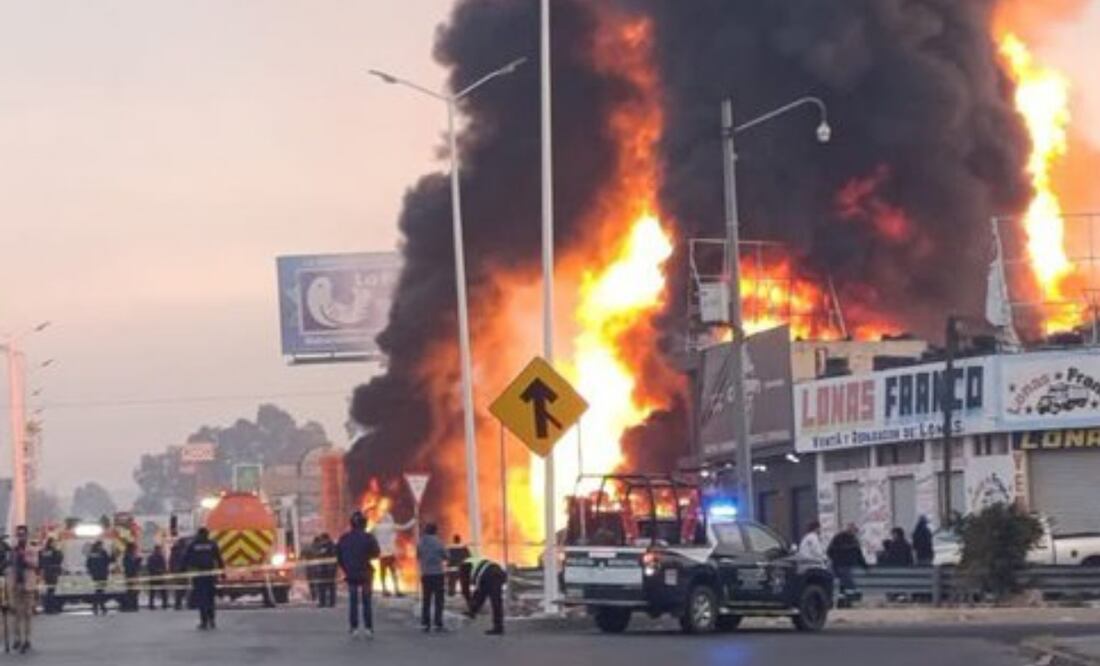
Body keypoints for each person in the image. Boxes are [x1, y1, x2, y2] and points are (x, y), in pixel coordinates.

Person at [336, 511, 381, 639]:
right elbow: (376, 554)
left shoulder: (344, 538)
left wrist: (346, 569)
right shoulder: (369, 537)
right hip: (366, 573)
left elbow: (339, 556)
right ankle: (368, 628)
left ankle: (354, 627)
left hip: (351, 574)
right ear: (364, 524)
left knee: (353, 601)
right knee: (367, 601)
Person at [183, 528, 224, 630]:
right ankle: (212, 620)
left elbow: (185, 558)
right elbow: (219, 559)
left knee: (202, 599)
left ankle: (204, 621)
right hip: (210, 574)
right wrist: (222, 572)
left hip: (199, 575)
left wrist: (182, 571)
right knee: (210, 598)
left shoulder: (193, 545)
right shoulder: (212, 544)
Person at [7, 526, 37, 653]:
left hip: (28, 585)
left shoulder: (32, 548)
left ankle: (27, 639)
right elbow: (10, 565)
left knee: (27, 614)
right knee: (16, 614)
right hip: (16, 585)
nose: (21, 537)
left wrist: (24, 557)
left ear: (27, 535)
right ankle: (17, 639)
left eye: (23, 534)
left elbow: (35, 564)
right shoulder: (13, 549)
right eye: (19, 534)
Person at [462, 555, 507, 635]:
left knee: (494, 601)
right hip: (498, 572)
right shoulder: (474, 559)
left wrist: (468, 601)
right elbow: (479, 593)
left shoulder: (464, 566)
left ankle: (498, 627)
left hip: (489, 575)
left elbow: (465, 588)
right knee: (486, 595)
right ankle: (473, 611)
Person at [373, 511, 415, 597]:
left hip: (381, 554)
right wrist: (414, 519)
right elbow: (405, 527)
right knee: (393, 572)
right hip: (390, 553)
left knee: (383, 573)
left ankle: (384, 590)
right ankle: (397, 589)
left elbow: (368, 534)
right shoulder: (391, 526)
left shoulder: (376, 527)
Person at [417, 522, 447, 633]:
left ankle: (425, 624)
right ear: (435, 531)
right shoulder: (438, 542)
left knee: (426, 600)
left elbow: (418, 556)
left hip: (426, 574)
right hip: (438, 574)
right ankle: (438, 623)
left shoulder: (421, 542)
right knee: (439, 600)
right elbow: (446, 556)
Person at [826, 524, 867, 601]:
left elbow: (829, 551)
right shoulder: (849, 540)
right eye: (854, 531)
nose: (855, 534)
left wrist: (864, 565)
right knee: (847, 583)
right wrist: (864, 565)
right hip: (843, 564)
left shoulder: (840, 538)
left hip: (840, 564)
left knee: (843, 583)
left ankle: (844, 599)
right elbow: (858, 554)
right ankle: (849, 598)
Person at [86, 540, 113, 615]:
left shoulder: (93, 553)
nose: (102, 547)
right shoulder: (102, 552)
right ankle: (100, 606)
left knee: (99, 590)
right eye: (101, 545)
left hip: (98, 575)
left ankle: (97, 606)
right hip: (101, 574)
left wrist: (92, 572)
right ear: (98, 546)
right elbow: (108, 561)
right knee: (100, 591)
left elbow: (88, 564)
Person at [37, 537, 63, 614]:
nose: (55, 544)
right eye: (54, 542)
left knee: (48, 591)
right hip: (52, 572)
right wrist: (58, 550)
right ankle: (51, 609)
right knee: (51, 591)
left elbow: (40, 561)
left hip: (45, 572)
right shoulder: (54, 551)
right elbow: (59, 559)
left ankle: (47, 608)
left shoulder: (43, 551)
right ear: (51, 543)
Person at [315, 533, 337, 608]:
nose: (322, 541)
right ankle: (325, 602)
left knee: (328, 586)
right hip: (325, 569)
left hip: (328, 570)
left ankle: (329, 602)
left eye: (322, 539)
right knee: (324, 587)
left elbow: (322, 555)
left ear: (326, 539)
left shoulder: (330, 546)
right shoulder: (325, 546)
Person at [446, 534, 471, 600]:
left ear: (454, 540)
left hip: (452, 569)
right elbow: (468, 557)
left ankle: (451, 594)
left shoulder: (449, 548)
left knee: (451, 584)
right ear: (459, 540)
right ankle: (464, 595)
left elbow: (446, 557)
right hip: (461, 568)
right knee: (463, 583)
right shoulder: (464, 548)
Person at [146, 544, 169, 610]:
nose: (159, 551)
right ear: (156, 550)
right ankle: (159, 604)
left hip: (156, 576)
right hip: (156, 576)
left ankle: (160, 604)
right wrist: (160, 570)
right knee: (157, 591)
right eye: (158, 549)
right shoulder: (156, 557)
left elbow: (163, 566)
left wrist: (162, 570)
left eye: (159, 550)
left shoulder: (158, 557)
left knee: (159, 591)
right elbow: (150, 566)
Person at [169, 537, 189, 610]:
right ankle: (178, 603)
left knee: (183, 588)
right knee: (179, 588)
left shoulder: (184, 550)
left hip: (183, 572)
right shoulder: (177, 550)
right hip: (179, 572)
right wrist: (172, 570)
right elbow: (172, 561)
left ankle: (179, 603)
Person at [122, 542, 142, 612]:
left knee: (135, 591)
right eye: (134, 548)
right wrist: (137, 562)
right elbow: (130, 567)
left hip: (134, 576)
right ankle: (131, 606)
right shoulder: (127, 556)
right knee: (131, 592)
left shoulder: (132, 556)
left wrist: (138, 561)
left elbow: (136, 567)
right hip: (131, 577)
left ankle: (134, 605)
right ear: (131, 549)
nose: (135, 550)